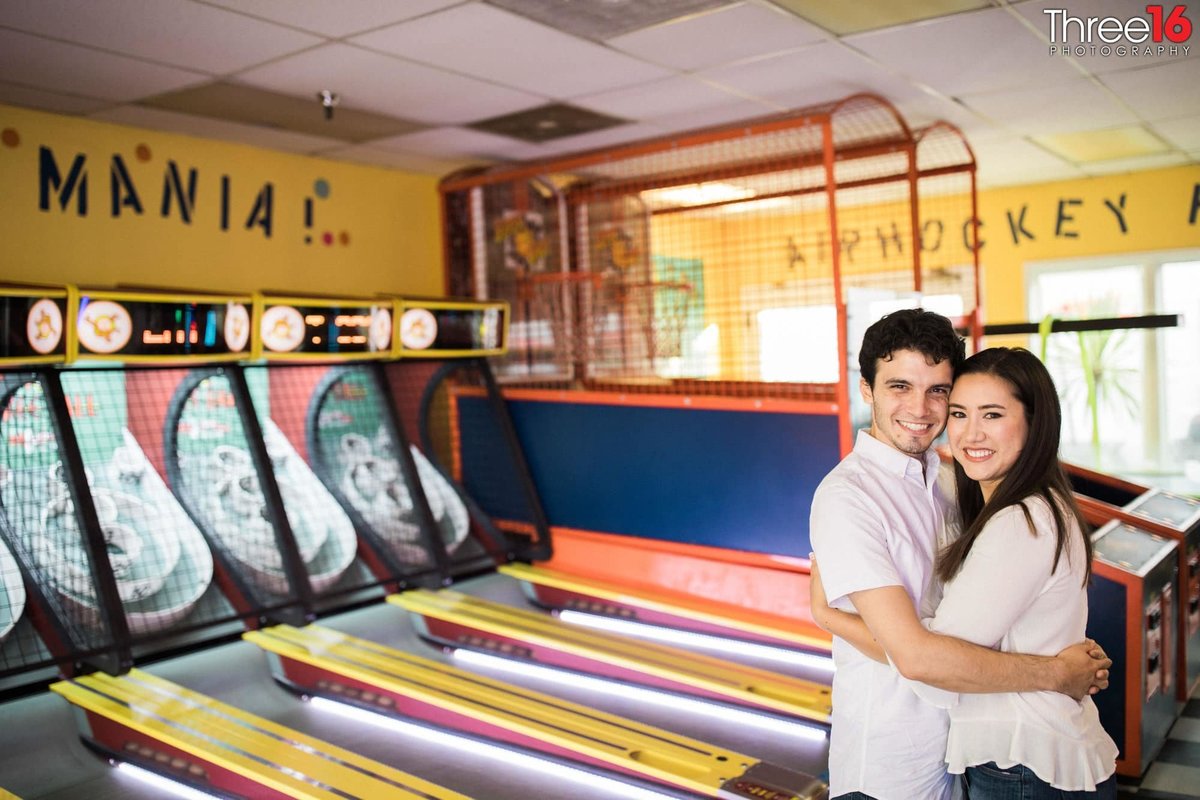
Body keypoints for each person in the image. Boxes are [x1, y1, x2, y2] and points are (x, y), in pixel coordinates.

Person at [808, 310, 1110, 800]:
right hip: (891, 767)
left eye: (938, 391)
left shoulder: (954, 482)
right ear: (867, 390)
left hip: (965, 756)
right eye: (899, 386)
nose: (921, 408)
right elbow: (915, 655)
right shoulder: (849, 497)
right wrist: (1056, 672)